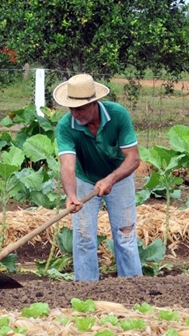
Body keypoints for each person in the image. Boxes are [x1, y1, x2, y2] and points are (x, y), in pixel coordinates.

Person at [53, 73, 143, 282]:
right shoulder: (66, 126)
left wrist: (110, 179)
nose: (75, 113)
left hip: (119, 177)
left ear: (94, 103)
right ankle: (86, 289)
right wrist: (72, 195)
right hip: (85, 179)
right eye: (71, 108)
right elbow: (67, 165)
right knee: (83, 237)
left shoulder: (118, 115)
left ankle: (133, 286)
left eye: (80, 108)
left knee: (125, 234)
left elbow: (134, 159)